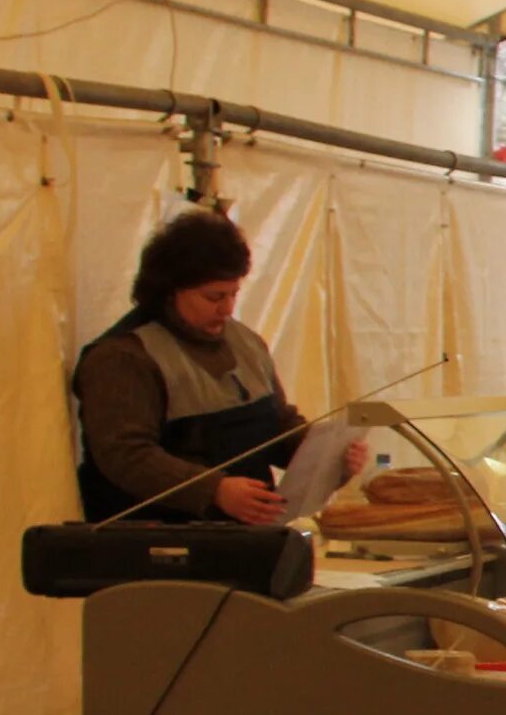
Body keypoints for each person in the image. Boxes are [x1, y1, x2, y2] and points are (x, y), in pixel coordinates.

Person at [73, 208, 344, 523]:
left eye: (233, 294)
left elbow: (277, 426)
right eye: (214, 297)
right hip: (159, 543)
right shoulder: (123, 357)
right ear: (170, 290)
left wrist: (328, 456)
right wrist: (213, 490)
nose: (227, 309)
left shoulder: (247, 344)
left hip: (247, 537)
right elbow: (126, 455)